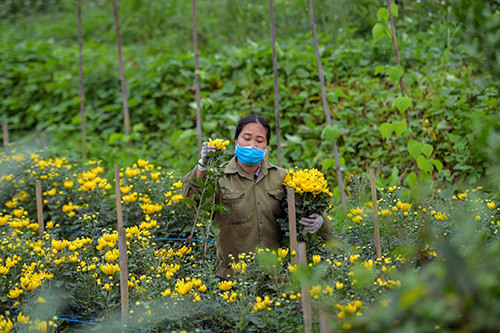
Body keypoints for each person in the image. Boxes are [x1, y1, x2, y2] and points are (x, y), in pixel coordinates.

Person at [182, 114, 332, 277]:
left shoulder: (282, 177)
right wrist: (202, 165)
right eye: (246, 138)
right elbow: (192, 198)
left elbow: (309, 213)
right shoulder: (218, 177)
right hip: (233, 278)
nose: (252, 145)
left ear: (266, 147)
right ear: (236, 142)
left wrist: (320, 221)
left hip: (276, 277)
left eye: (259, 141)